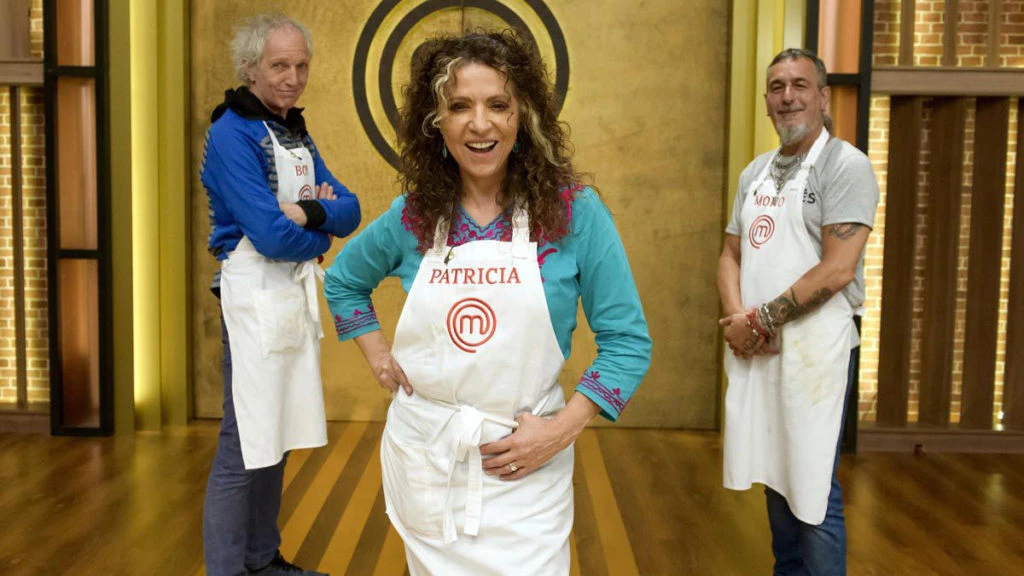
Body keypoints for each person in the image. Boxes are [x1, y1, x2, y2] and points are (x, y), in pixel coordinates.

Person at [323, 31, 651, 575]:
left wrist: (561, 430)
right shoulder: (414, 217)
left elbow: (627, 343)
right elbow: (343, 282)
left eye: (498, 105)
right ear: (436, 123)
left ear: (524, 116)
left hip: (526, 469)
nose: (480, 124)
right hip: (428, 460)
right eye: (459, 107)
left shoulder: (575, 214)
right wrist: (378, 355)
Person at [200, 13, 360, 576]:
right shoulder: (230, 133)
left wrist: (308, 212)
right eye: (279, 66)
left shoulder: (294, 131)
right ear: (250, 68)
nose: (293, 78)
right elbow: (268, 235)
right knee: (243, 440)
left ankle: (261, 559)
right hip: (250, 294)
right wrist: (319, 232)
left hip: (288, 294)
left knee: (278, 433)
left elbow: (351, 209)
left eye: (301, 65)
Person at [718, 48, 879, 576]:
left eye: (800, 85)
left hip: (815, 354)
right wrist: (738, 319)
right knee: (776, 476)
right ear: (766, 101)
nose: (787, 97)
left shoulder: (845, 166)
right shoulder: (755, 172)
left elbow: (837, 270)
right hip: (759, 348)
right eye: (776, 87)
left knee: (811, 488)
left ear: (823, 97)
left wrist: (760, 321)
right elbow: (730, 255)